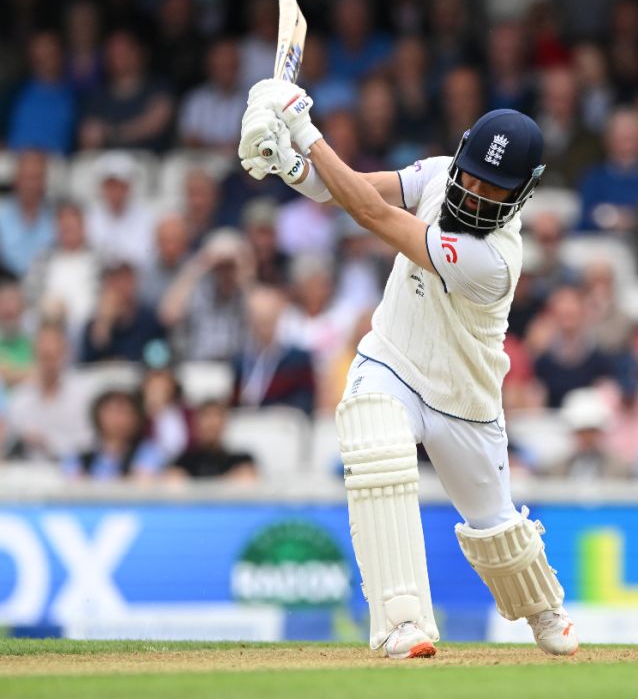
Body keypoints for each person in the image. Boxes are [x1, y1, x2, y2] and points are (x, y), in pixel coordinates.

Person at [237, 86, 577, 660]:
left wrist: (302, 126)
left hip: (464, 396)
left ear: (523, 194)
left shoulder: (493, 262)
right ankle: (402, 623)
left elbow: (369, 215)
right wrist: (293, 166)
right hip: (391, 359)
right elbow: (350, 188)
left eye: (494, 188)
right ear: (461, 157)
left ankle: (542, 606)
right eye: (471, 176)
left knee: (493, 520)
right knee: (375, 451)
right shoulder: (441, 173)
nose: (473, 192)